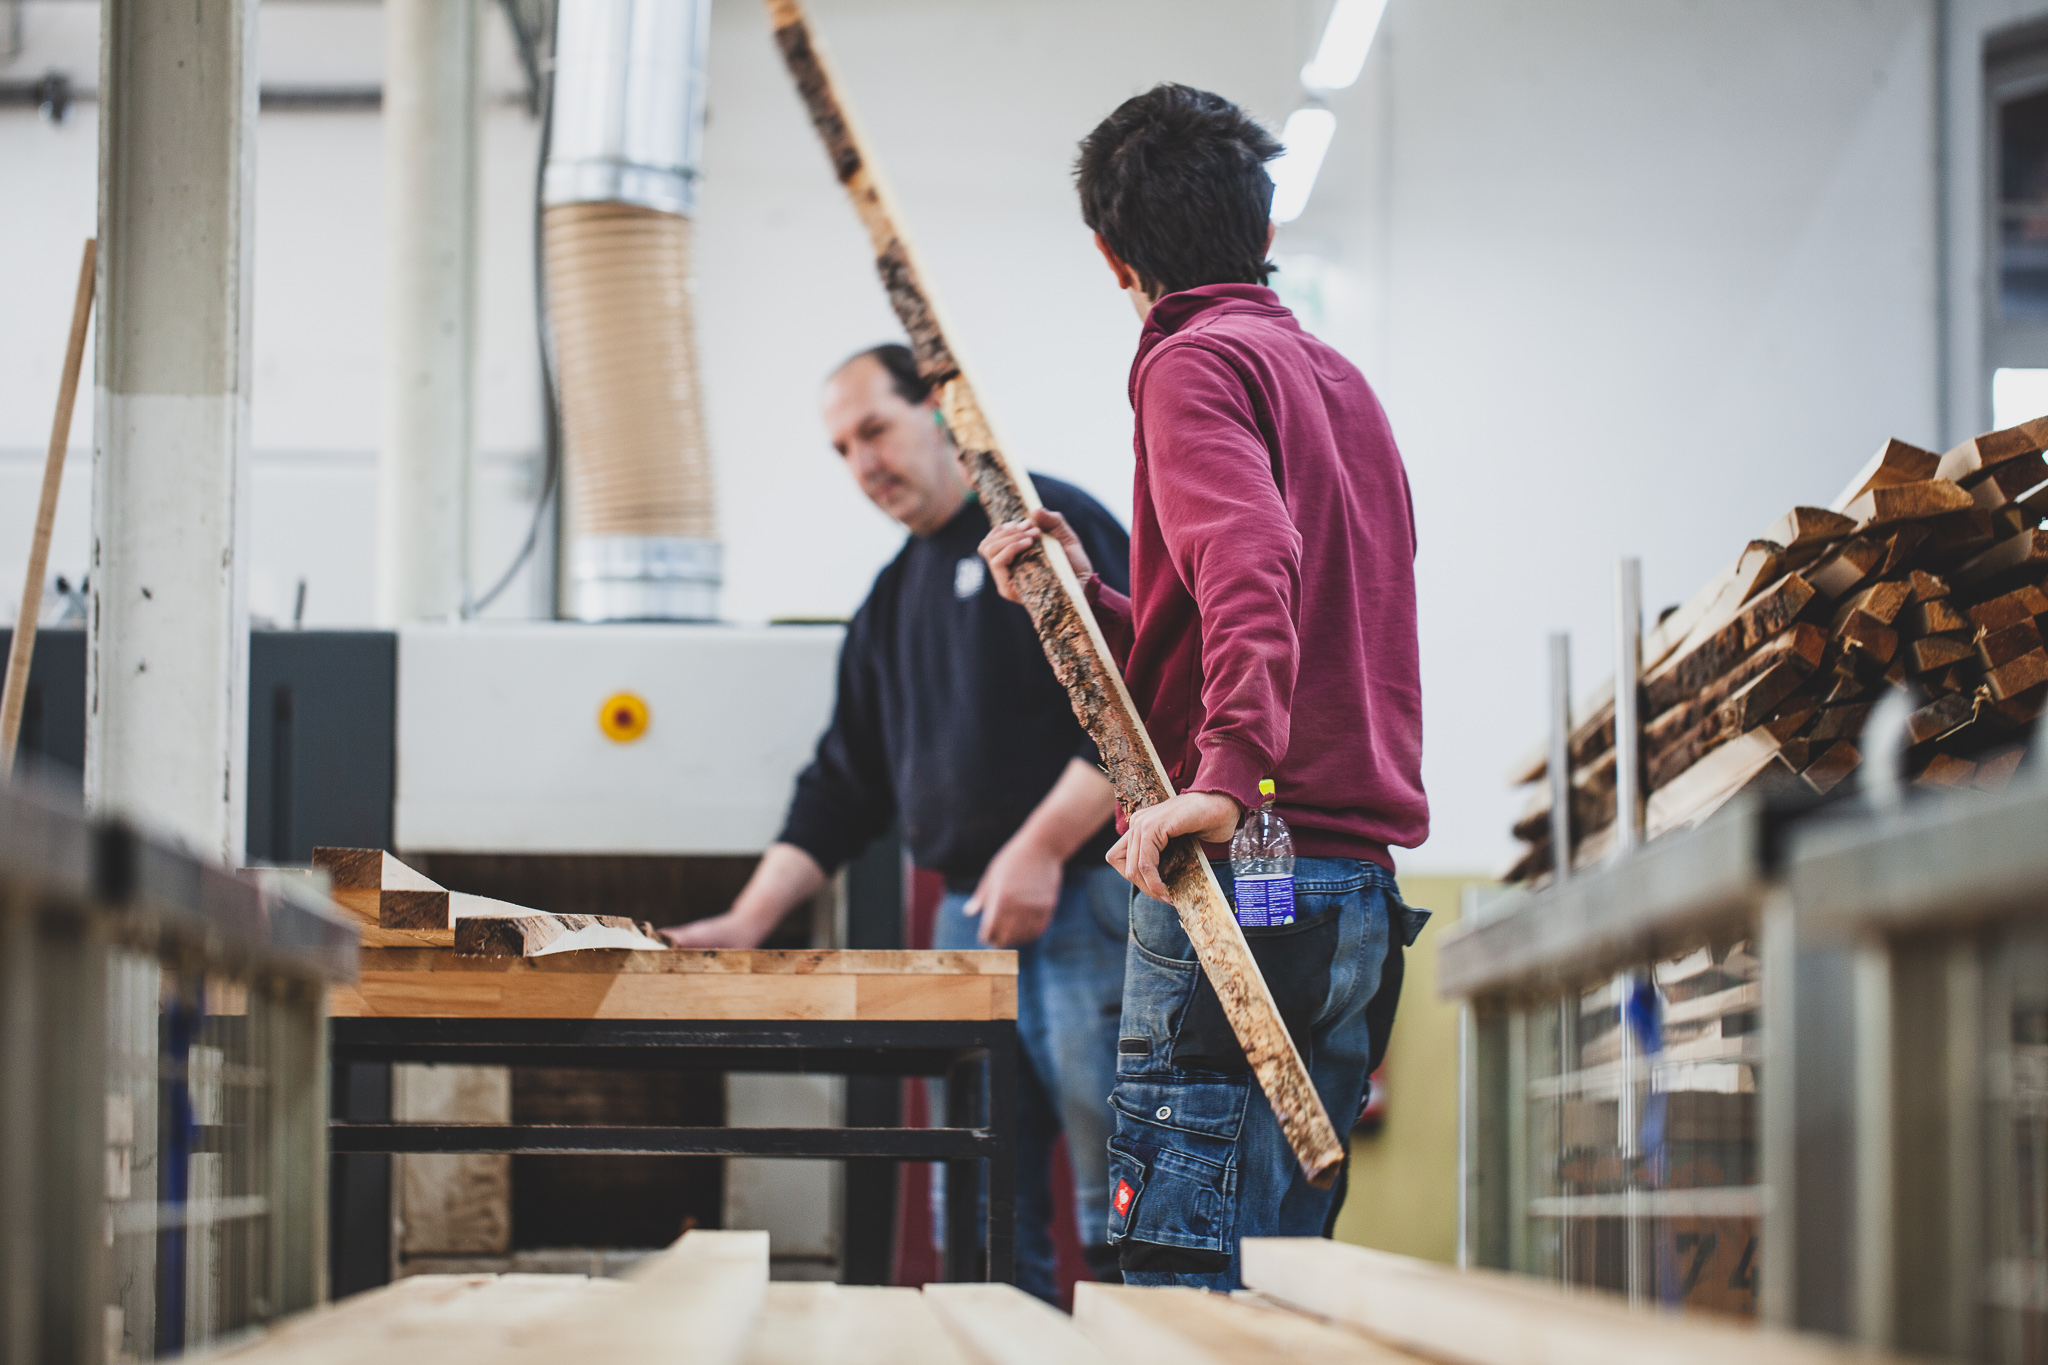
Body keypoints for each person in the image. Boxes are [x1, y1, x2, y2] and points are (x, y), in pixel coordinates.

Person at [979, 84, 1430, 1290]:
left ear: (1108, 254)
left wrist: (1225, 779)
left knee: (1184, 1286)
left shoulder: (1189, 362)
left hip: (1249, 872)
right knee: (1279, 1278)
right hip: (1333, 884)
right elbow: (1280, 609)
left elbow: (1250, 563)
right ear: (1265, 233)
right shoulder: (1333, 381)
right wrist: (1087, 600)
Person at [663, 343, 1134, 1299]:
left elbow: (1139, 705)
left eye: (874, 428)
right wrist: (747, 922)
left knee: (1123, 1207)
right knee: (978, 1220)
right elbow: (844, 783)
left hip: (1091, 906)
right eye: (841, 448)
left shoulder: (1048, 524)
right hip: (967, 925)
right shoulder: (889, 601)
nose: (862, 464)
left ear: (940, 412)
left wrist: (1043, 848)